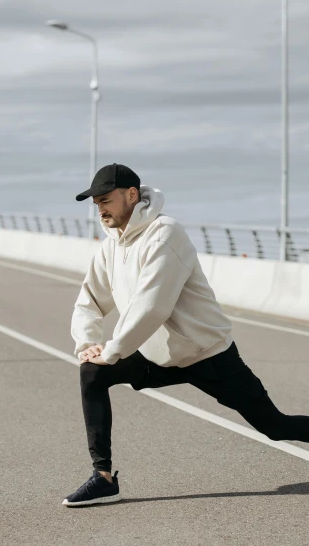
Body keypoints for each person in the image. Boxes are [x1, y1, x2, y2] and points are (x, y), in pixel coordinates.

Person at [62, 163, 309, 507]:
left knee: (275, 426)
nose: (100, 209)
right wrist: (88, 344)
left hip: (207, 354)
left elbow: (153, 306)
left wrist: (114, 349)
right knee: (92, 371)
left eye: (106, 200)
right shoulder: (110, 248)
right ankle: (103, 477)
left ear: (131, 195)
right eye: (96, 203)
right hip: (156, 356)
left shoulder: (165, 234)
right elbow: (88, 299)